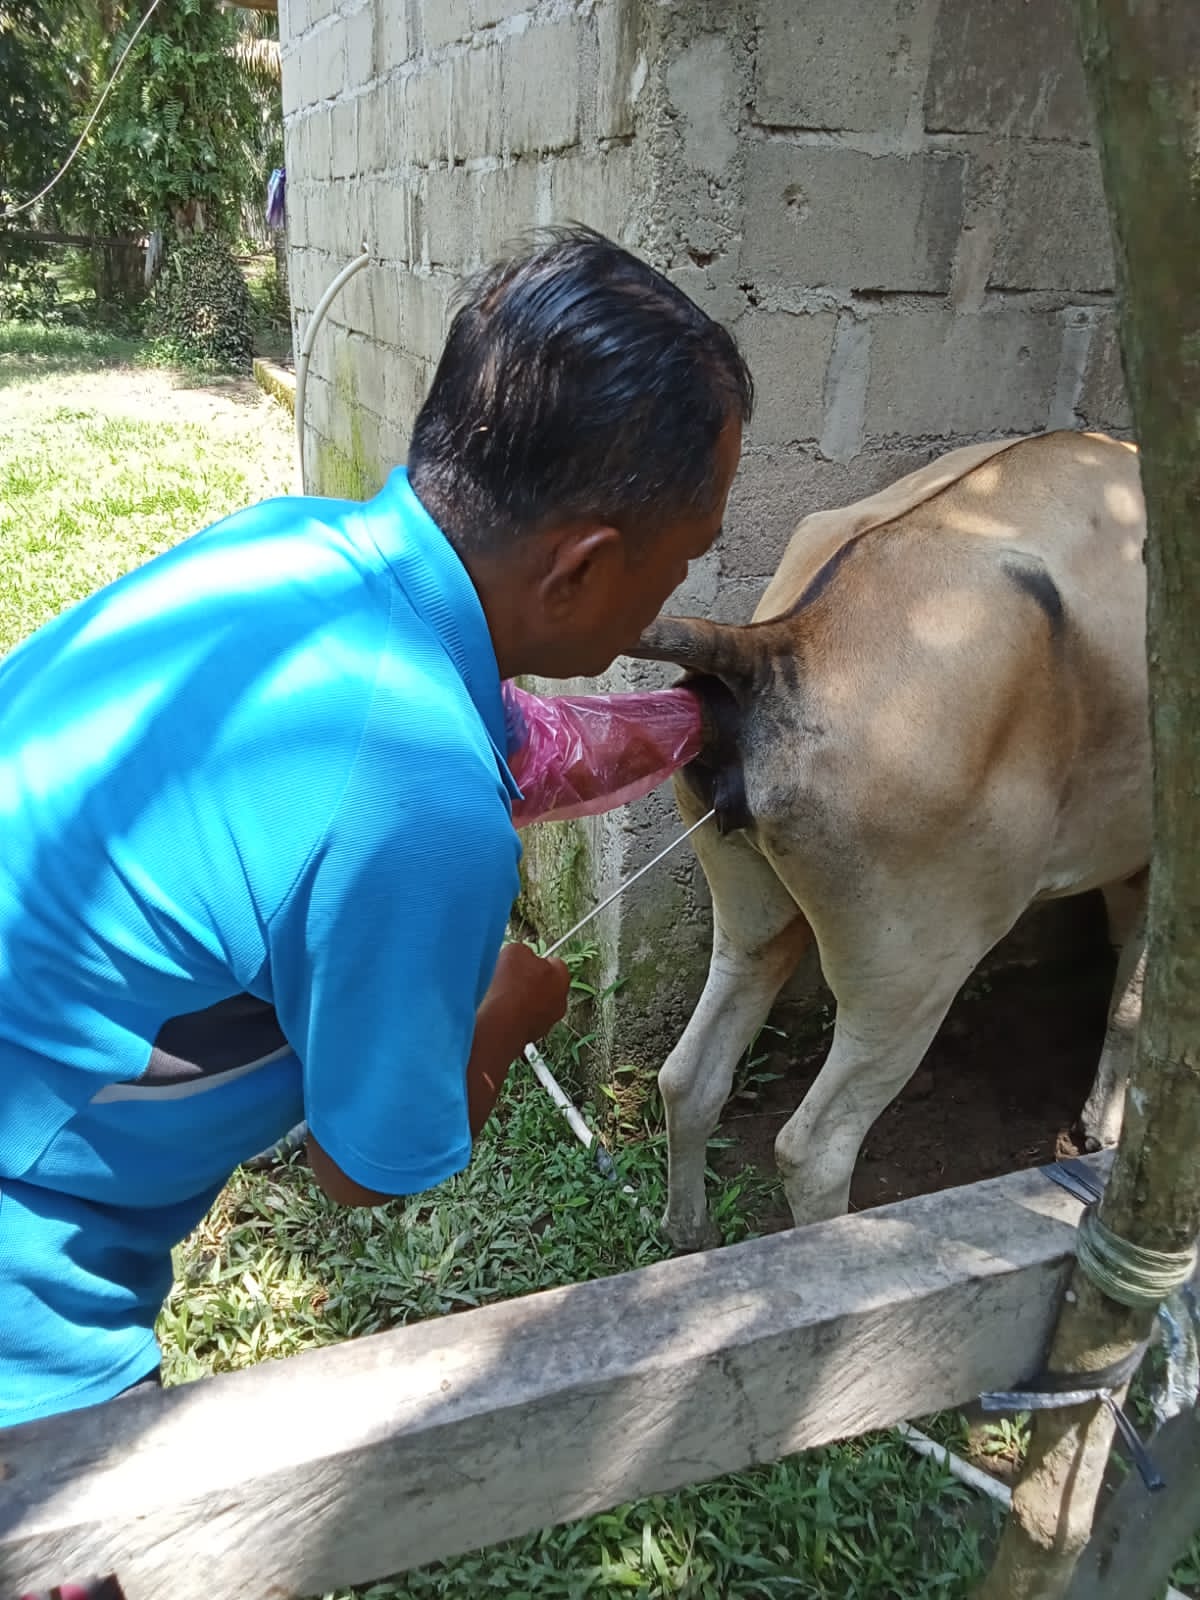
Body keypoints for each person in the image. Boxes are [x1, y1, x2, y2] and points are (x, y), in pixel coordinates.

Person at [0, 226, 752, 1427]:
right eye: (682, 561)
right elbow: (356, 1169)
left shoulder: (293, 545)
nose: (678, 595)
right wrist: (498, 1022)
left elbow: (512, 741)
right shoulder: (422, 812)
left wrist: (689, 722)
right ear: (584, 569)